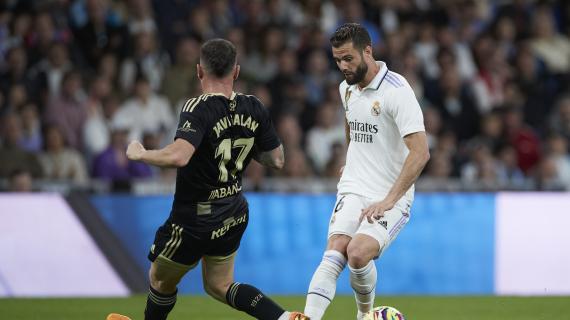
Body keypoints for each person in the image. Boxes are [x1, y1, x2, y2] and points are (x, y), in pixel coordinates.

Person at [107, 39, 309, 320]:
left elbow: (179, 156)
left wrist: (141, 153)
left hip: (195, 218)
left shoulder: (197, 107)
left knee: (159, 279)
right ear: (236, 72)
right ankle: (284, 318)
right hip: (234, 211)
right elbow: (276, 159)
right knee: (220, 285)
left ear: (199, 71)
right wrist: (244, 142)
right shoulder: (254, 106)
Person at [304, 23, 430, 320]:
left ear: (368, 51)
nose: (342, 67)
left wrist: (389, 200)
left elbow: (421, 152)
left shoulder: (397, 91)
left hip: (390, 194)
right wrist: (350, 159)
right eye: (337, 60)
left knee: (358, 254)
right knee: (335, 250)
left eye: (348, 58)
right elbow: (350, 123)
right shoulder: (345, 88)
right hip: (354, 185)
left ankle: (364, 315)